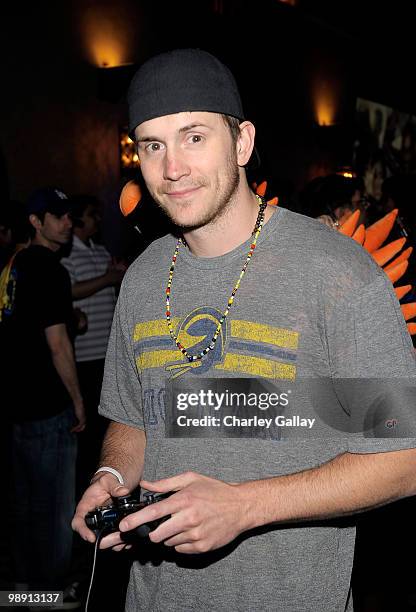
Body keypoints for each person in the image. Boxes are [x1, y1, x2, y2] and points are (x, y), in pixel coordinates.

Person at [72, 49, 416, 612]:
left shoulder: (336, 273)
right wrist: (112, 474)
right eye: (153, 145)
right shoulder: (142, 277)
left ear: (242, 143)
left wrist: (243, 506)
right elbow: (135, 418)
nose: (172, 167)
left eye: (194, 137)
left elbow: (404, 459)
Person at [3, 187, 85, 608]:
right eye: (57, 215)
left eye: (69, 214)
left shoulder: (13, 263)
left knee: (25, 501)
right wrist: (77, 401)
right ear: (36, 222)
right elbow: (57, 345)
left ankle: (24, 586)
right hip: (47, 402)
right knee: (54, 507)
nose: (67, 221)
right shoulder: (50, 268)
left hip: (17, 403)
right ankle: (50, 591)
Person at [61, 194, 125, 493]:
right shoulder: (65, 255)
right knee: (87, 433)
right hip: (84, 357)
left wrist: (118, 275)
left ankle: (107, 480)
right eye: (91, 214)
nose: (97, 220)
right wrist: (108, 278)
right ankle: (89, 487)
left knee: (107, 428)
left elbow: (110, 283)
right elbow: (70, 292)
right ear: (75, 219)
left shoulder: (100, 250)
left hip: (107, 353)